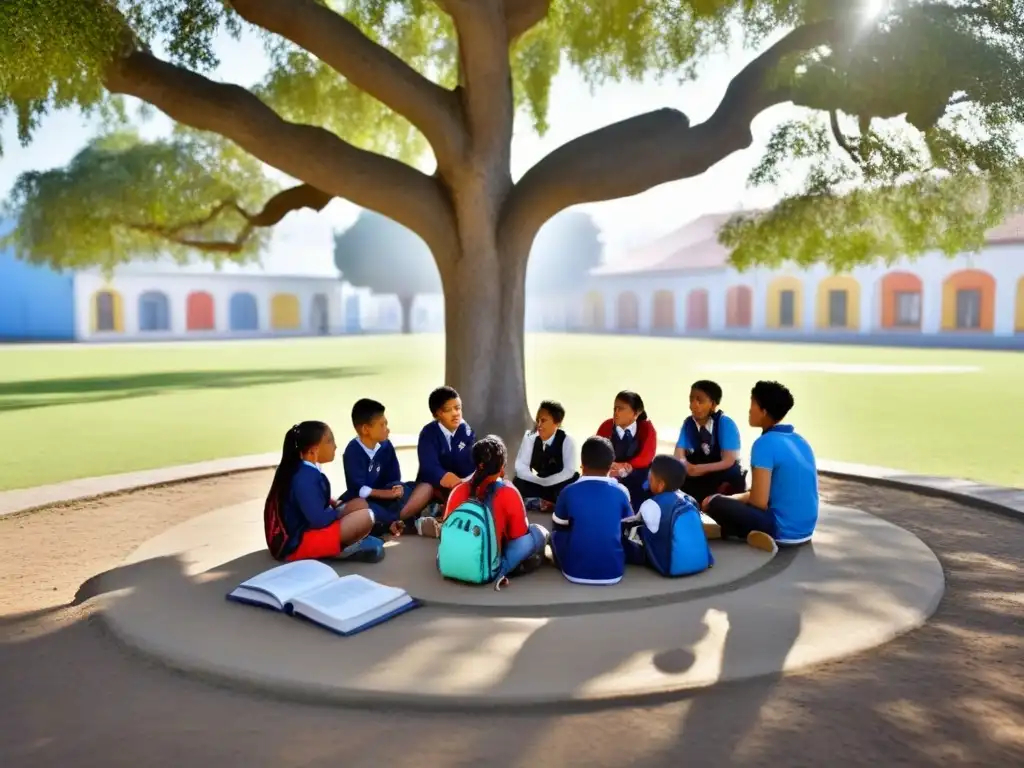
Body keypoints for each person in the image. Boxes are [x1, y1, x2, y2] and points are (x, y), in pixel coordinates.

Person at [703, 381, 819, 554]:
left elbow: (759, 502)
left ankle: (750, 533)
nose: (749, 410)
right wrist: (734, 498)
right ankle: (745, 533)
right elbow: (766, 494)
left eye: (753, 404)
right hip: (806, 530)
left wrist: (720, 500)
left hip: (781, 531)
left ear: (764, 412)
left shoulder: (764, 444)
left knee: (713, 503)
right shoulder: (800, 440)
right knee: (731, 500)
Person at [262, 420, 384, 563]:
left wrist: (336, 504)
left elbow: (311, 504)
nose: (335, 446)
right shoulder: (303, 477)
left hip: (303, 531)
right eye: (329, 441)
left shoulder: (301, 468)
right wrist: (341, 512)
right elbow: (318, 520)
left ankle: (344, 543)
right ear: (314, 450)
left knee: (360, 504)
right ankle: (339, 549)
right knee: (365, 517)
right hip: (297, 545)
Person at [441, 435, 548, 590]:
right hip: (486, 569)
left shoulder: (458, 490)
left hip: (448, 564)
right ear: (502, 468)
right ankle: (502, 569)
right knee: (536, 533)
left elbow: (447, 530)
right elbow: (518, 535)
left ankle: (456, 563)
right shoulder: (508, 492)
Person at [550, 436, 634, 585]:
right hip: (613, 572)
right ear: (611, 466)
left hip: (573, 571)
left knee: (553, 535)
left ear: (582, 464)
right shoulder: (622, 492)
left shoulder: (568, 491)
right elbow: (628, 529)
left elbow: (558, 529)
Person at [341, 398, 424, 537]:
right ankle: (400, 521)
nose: (387, 429)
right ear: (366, 429)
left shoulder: (385, 445)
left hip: (386, 498)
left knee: (421, 488)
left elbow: (394, 479)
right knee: (361, 508)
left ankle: (390, 521)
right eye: (382, 425)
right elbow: (359, 490)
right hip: (365, 500)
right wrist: (387, 494)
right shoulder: (352, 452)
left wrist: (396, 490)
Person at [624, 454, 714, 577]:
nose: (648, 481)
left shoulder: (651, 504)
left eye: (651, 479)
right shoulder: (690, 499)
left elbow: (633, 523)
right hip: (701, 562)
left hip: (670, 565)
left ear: (661, 485)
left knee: (627, 529)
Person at [405, 386, 476, 537]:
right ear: (437, 414)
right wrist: (445, 477)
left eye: (458, 408)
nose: (455, 414)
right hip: (435, 485)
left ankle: (439, 521)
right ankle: (413, 520)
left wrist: (458, 483)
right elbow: (428, 466)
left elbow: (467, 465)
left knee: (471, 495)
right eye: (448, 410)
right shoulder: (428, 433)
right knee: (425, 490)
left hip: (459, 485)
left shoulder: (466, 431)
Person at [674, 380, 746, 503]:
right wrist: (686, 465)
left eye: (700, 401)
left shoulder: (725, 423)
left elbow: (728, 461)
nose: (693, 405)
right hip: (698, 474)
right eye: (691, 400)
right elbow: (678, 454)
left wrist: (697, 469)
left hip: (721, 474)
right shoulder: (688, 423)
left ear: (713, 404)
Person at [512, 400, 580, 512]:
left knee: (572, 483)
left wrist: (547, 482)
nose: (539, 425)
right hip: (538, 481)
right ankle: (543, 502)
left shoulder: (567, 440)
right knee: (518, 481)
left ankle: (546, 503)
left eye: (543, 421)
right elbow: (521, 467)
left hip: (558, 483)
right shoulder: (530, 437)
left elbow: (569, 471)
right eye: (537, 420)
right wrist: (538, 480)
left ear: (557, 423)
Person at [595, 390, 657, 511]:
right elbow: (597, 451)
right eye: (615, 408)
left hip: (637, 476)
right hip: (610, 473)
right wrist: (612, 466)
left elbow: (646, 457)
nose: (616, 412)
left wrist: (625, 467)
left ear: (636, 413)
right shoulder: (606, 426)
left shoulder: (646, 428)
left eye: (621, 409)